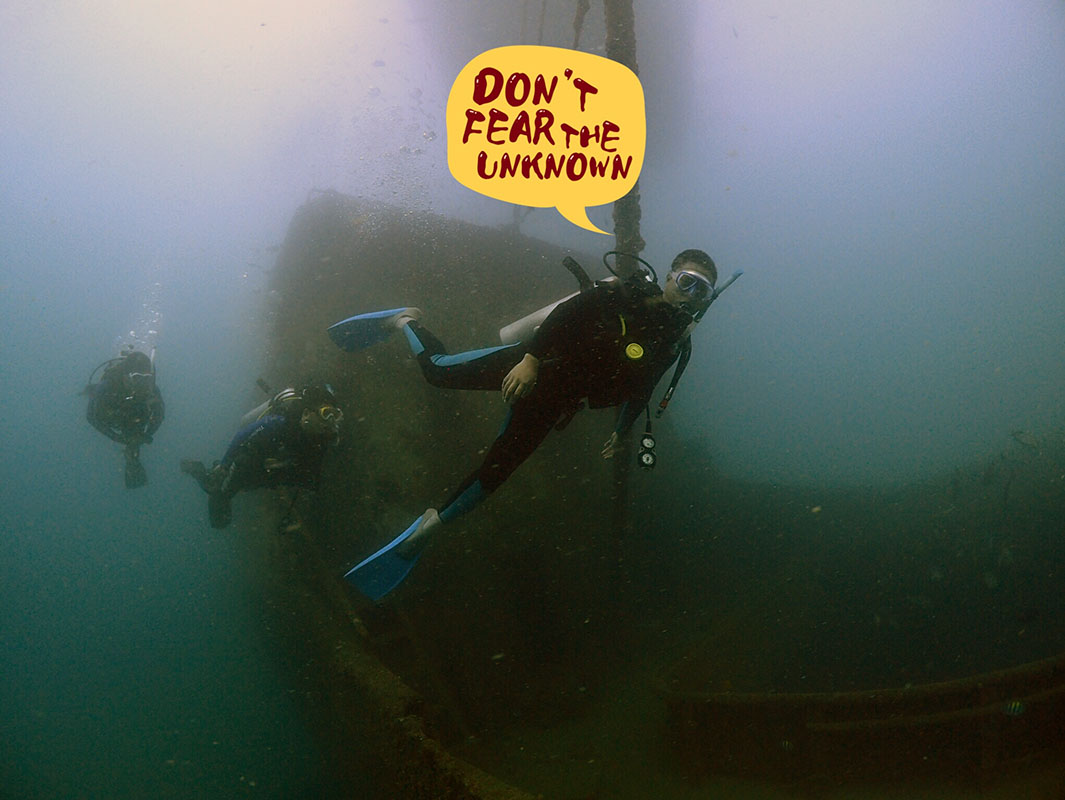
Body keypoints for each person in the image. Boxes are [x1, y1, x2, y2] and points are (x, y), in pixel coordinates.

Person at [335, 248, 729, 600]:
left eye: (702, 291)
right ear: (670, 275)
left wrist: (622, 430)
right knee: (439, 372)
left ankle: (433, 524)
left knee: (500, 469)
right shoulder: (621, 295)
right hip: (531, 364)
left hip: (555, 401)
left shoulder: (674, 342)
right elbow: (566, 314)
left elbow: (644, 387)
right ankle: (405, 320)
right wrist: (531, 360)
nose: (690, 294)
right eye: (687, 282)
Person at [180, 384, 343, 529]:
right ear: (307, 413)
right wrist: (224, 465)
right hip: (251, 462)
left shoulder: (322, 440)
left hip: (272, 470)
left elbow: (310, 478)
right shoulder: (280, 424)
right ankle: (199, 471)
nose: (330, 421)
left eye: (335, 416)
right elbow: (243, 435)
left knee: (252, 485)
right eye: (326, 413)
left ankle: (221, 476)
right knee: (219, 502)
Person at [85, 348, 164, 488]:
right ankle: (131, 455)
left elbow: (160, 415)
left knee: (134, 432)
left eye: (146, 379)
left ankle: (132, 460)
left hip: (134, 416)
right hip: (113, 412)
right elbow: (91, 416)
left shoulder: (151, 389)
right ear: (126, 376)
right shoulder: (108, 385)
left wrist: (146, 435)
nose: (142, 384)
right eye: (137, 378)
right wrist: (116, 438)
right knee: (128, 430)